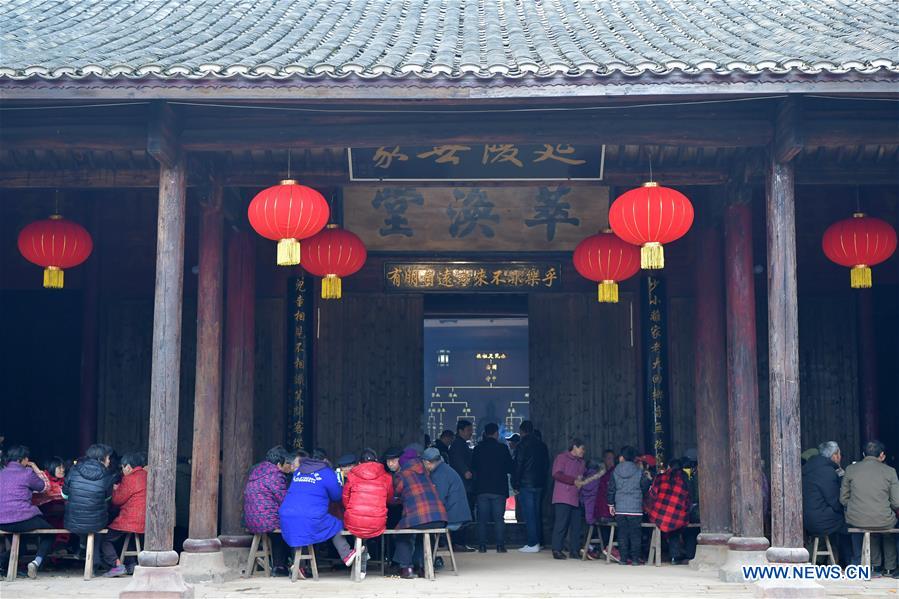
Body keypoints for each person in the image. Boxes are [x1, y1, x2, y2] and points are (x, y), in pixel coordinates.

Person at [279, 449, 357, 573]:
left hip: (286, 515)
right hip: (311, 516)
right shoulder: (327, 472)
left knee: (300, 530)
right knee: (335, 524)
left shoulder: (298, 472)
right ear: (324, 462)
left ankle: (299, 566)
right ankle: (346, 554)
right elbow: (337, 496)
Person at [840, 440, 899, 573]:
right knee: (888, 529)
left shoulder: (850, 469)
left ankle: (873, 565)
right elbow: (896, 502)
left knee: (868, 526)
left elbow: (843, 499)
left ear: (863, 454)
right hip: (883, 520)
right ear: (882, 455)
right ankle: (890, 567)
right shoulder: (890, 471)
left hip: (856, 519)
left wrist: (857, 507)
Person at [392, 453, 448, 579]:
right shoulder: (426, 473)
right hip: (439, 517)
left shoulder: (402, 475)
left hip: (421, 517)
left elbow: (396, 495)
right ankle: (422, 567)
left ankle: (407, 568)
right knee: (423, 535)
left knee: (400, 534)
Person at [243, 446, 296, 576]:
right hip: (265, 521)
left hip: (251, 520)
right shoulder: (276, 475)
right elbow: (284, 500)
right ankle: (281, 566)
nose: (289, 466)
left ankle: (280, 565)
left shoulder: (256, 471)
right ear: (279, 464)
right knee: (290, 527)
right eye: (287, 463)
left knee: (279, 525)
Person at [0, 445, 51, 578]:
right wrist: (34, 467)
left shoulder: (1, 472)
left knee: (21, 546)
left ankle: (2, 566)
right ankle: (36, 562)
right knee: (50, 532)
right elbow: (44, 487)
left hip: (2, 521)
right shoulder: (27, 473)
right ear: (23, 460)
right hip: (22, 519)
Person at [64, 443, 116, 567]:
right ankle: (95, 562)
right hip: (96, 521)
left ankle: (83, 547)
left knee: (88, 524)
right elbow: (107, 499)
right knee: (97, 526)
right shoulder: (107, 475)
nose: (109, 461)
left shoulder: (74, 470)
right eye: (108, 458)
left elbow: (65, 495)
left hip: (72, 520)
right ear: (101, 458)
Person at [802, 441, 850, 566]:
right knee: (848, 522)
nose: (840, 457)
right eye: (840, 454)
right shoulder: (827, 471)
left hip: (807, 517)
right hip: (819, 519)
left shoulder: (810, 467)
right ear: (834, 455)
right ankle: (849, 562)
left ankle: (822, 560)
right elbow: (834, 501)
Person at [100, 451, 147, 577]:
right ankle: (131, 565)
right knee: (129, 536)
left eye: (122, 468)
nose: (122, 470)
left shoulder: (129, 478)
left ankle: (116, 565)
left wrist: (116, 490)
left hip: (131, 519)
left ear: (128, 467)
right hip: (145, 521)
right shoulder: (147, 475)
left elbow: (117, 500)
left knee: (104, 538)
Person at [471, 423, 513, 553]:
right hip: (498, 488)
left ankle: (482, 546)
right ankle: (500, 545)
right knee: (499, 519)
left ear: (485, 432)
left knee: (482, 519)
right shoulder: (503, 448)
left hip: (482, 488)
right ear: (496, 433)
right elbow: (509, 467)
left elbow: (473, 467)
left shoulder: (478, 449)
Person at [608, 446, 651, 566]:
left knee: (622, 534)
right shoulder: (638, 471)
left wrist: (611, 504)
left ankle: (623, 559)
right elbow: (644, 487)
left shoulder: (615, 470)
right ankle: (635, 559)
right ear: (633, 458)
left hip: (620, 508)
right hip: (635, 509)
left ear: (622, 457)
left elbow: (611, 488)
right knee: (635, 535)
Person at [512, 420, 550, 553]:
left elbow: (518, 465)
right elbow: (546, 465)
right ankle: (539, 542)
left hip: (526, 484)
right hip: (539, 484)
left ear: (522, 431)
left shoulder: (522, 445)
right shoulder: (542, 445)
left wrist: (515, 483)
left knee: (529, 514)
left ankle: (533, 543)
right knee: (537, 513)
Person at [646, 458, 691, 565]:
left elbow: (652, 495)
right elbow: (688, 500)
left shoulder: (660, 477)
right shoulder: (684, 479)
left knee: (655, 521)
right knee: (676, 526)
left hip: (659, 515)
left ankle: (654, 553)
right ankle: (675, 557)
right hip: (677, 517)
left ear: (669, 467)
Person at [343, 448, 394, 539]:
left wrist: (352, 510)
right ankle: (373, 551)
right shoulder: (387, 477)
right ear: (377, 461)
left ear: (359, 463)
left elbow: (345, 498)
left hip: (354, 523)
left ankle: (355, 550)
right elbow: (389, 499)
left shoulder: (352, 475)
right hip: (376, 524)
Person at [550, 438, 586, 560]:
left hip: (576, 496)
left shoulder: (581, 462)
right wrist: (573, 481)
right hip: (562, 496)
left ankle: (574, 550)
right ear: (575, 447)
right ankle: (557, 549)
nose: (583, 451)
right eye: (582, 448)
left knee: (576, 525)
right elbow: (556, 474)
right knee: (561, 524)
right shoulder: (562, 458)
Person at [422, 448, 471, 532]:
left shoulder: (439, 474)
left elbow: (439, 499)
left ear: (427, 463)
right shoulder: (444, 469)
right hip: (458, 515)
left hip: (453, 518)